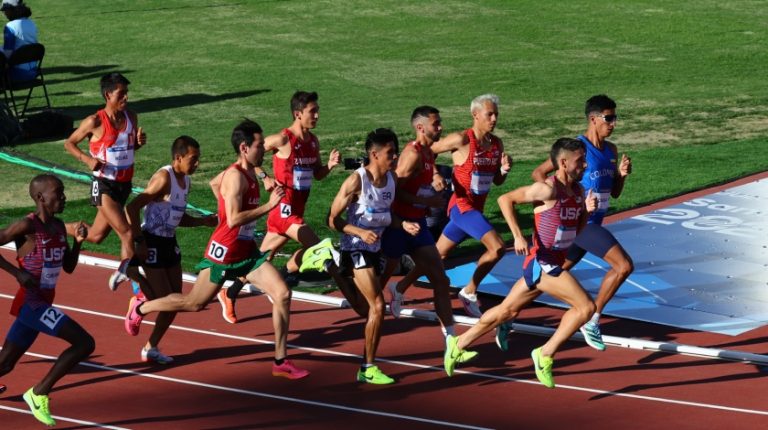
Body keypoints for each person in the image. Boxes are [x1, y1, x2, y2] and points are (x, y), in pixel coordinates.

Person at [124, 119, 310, 379]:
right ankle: (141, 308)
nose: (264, 148)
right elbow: (233, 220)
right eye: (259, 145)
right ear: (244, 148)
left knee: (282, 293)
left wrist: (217, 211)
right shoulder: (234, 176)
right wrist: (269, 206)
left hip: (246, 252)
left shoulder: (249, 173)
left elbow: (214, 185)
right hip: (223, 252)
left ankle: (280, 361)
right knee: (192, 303)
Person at [444, 137, 598, 389]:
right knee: (585, 308)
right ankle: (545, 354)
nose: (585, 166)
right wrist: (517, 235)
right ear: (563, 163)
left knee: (507, 311)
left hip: (552, 262)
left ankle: (457, 345)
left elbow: (576, 231)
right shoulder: (547, 189)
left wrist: (587, 212)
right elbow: (505, 200)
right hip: (542, 263)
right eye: (580, 161)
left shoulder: (579, 192)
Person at [216, 91, 341, 324]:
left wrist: (330, 166)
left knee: (261, 258)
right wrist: (264, 176)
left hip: (297, 208)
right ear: (298, 114)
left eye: (317, 110)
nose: (317, 115)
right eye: (312, 111)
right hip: (281, 209)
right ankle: (283, 279)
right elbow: (250, 156)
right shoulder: (283, 139)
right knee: (319, 247)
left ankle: (229, 292)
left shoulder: (313, 142)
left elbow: (318, 175)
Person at [527, 94, 634, 351]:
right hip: (582, 225)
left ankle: (509, 313)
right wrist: (557, 205)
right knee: (623, 266)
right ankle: (592, 320)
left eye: (615, 118)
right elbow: (539, 173)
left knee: (551, 275)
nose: (613, 123)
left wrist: (621, 175)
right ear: (593, 119)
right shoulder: (577, 148)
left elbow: (614, 193)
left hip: (588, 225)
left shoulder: (611, 151)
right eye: (609, 118)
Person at [393, 94, 511, 318]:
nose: (494, 118)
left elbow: (496, 181)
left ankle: (398, 288)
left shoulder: (497, 144)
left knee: (437, 257)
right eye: (490, 114)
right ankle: (469, 291)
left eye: (496, 114)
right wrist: (435, 174)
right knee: (497, 248)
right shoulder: (461, 139)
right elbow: (427, 151)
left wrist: (504, 170)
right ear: (475, 115)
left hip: (476, 209)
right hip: (461, 207)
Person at [0, 174, 95, 426]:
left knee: (6, 363)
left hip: (44, 302)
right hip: (32, 303)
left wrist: (77, 243)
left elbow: (69, 267)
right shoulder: (27, 226)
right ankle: (38, 392)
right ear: (41, 197)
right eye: (59, 192)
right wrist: (16, 272)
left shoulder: (59, 227)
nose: (64, 197)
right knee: (84, 343)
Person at [328, 128, 420, 384]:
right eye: (390, 153)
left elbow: (385, 216)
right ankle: (367, 367)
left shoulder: (390, 179)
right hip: (355, 246)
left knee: (364, 309)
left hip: (374, 248)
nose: (395, 156)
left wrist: (403, 225)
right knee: (378, 307)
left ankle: (331, 267)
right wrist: (359, 231)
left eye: (396, 151)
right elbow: (331, 219)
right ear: (374, 154)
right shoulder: (357, 181)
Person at [124, 136, 217, 364]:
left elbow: (176, 216)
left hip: (169, 241)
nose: (197, 164)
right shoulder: (164, 178)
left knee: (176, 303)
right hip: (151, 241)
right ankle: (139, 302)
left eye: (198, 160)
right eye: (193, 159)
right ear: (178, 157)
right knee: (166, 299)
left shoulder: (186, 181)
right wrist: (139, 241)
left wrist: (200, 222)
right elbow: (132, 207)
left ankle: (150, 347)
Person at [63, 72, 147, 291]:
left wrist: (138, 143)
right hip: (102, 185)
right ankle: (134, 283)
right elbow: (69, 143)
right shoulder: (95, 121)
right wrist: (87, 159)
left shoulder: (131, 117)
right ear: (108, 95)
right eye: (122, 94)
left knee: (96, 236)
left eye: (127, 93)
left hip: (124, 185)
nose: (126, 98)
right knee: (126, 232)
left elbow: (129, 149)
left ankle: (65, 228)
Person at [381, 106, 455, 337]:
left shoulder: (428, 152)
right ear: (420, 128)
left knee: (441, 279)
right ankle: (368, 314)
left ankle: (451, 341)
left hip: (418, 225)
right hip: (399, 226)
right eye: (436, 124)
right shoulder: (412, 154)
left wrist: (434, 175)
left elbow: (428, 164)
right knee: (380, 282)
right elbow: (394, 191)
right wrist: (428, 199)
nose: (441, 127)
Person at [1, 0, 37, 81]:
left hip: (16, 75)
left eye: (6, 10)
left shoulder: (10, 26)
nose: (4, 13)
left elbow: (8, 52)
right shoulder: (32, 23)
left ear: (14, 10)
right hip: (33, 73)